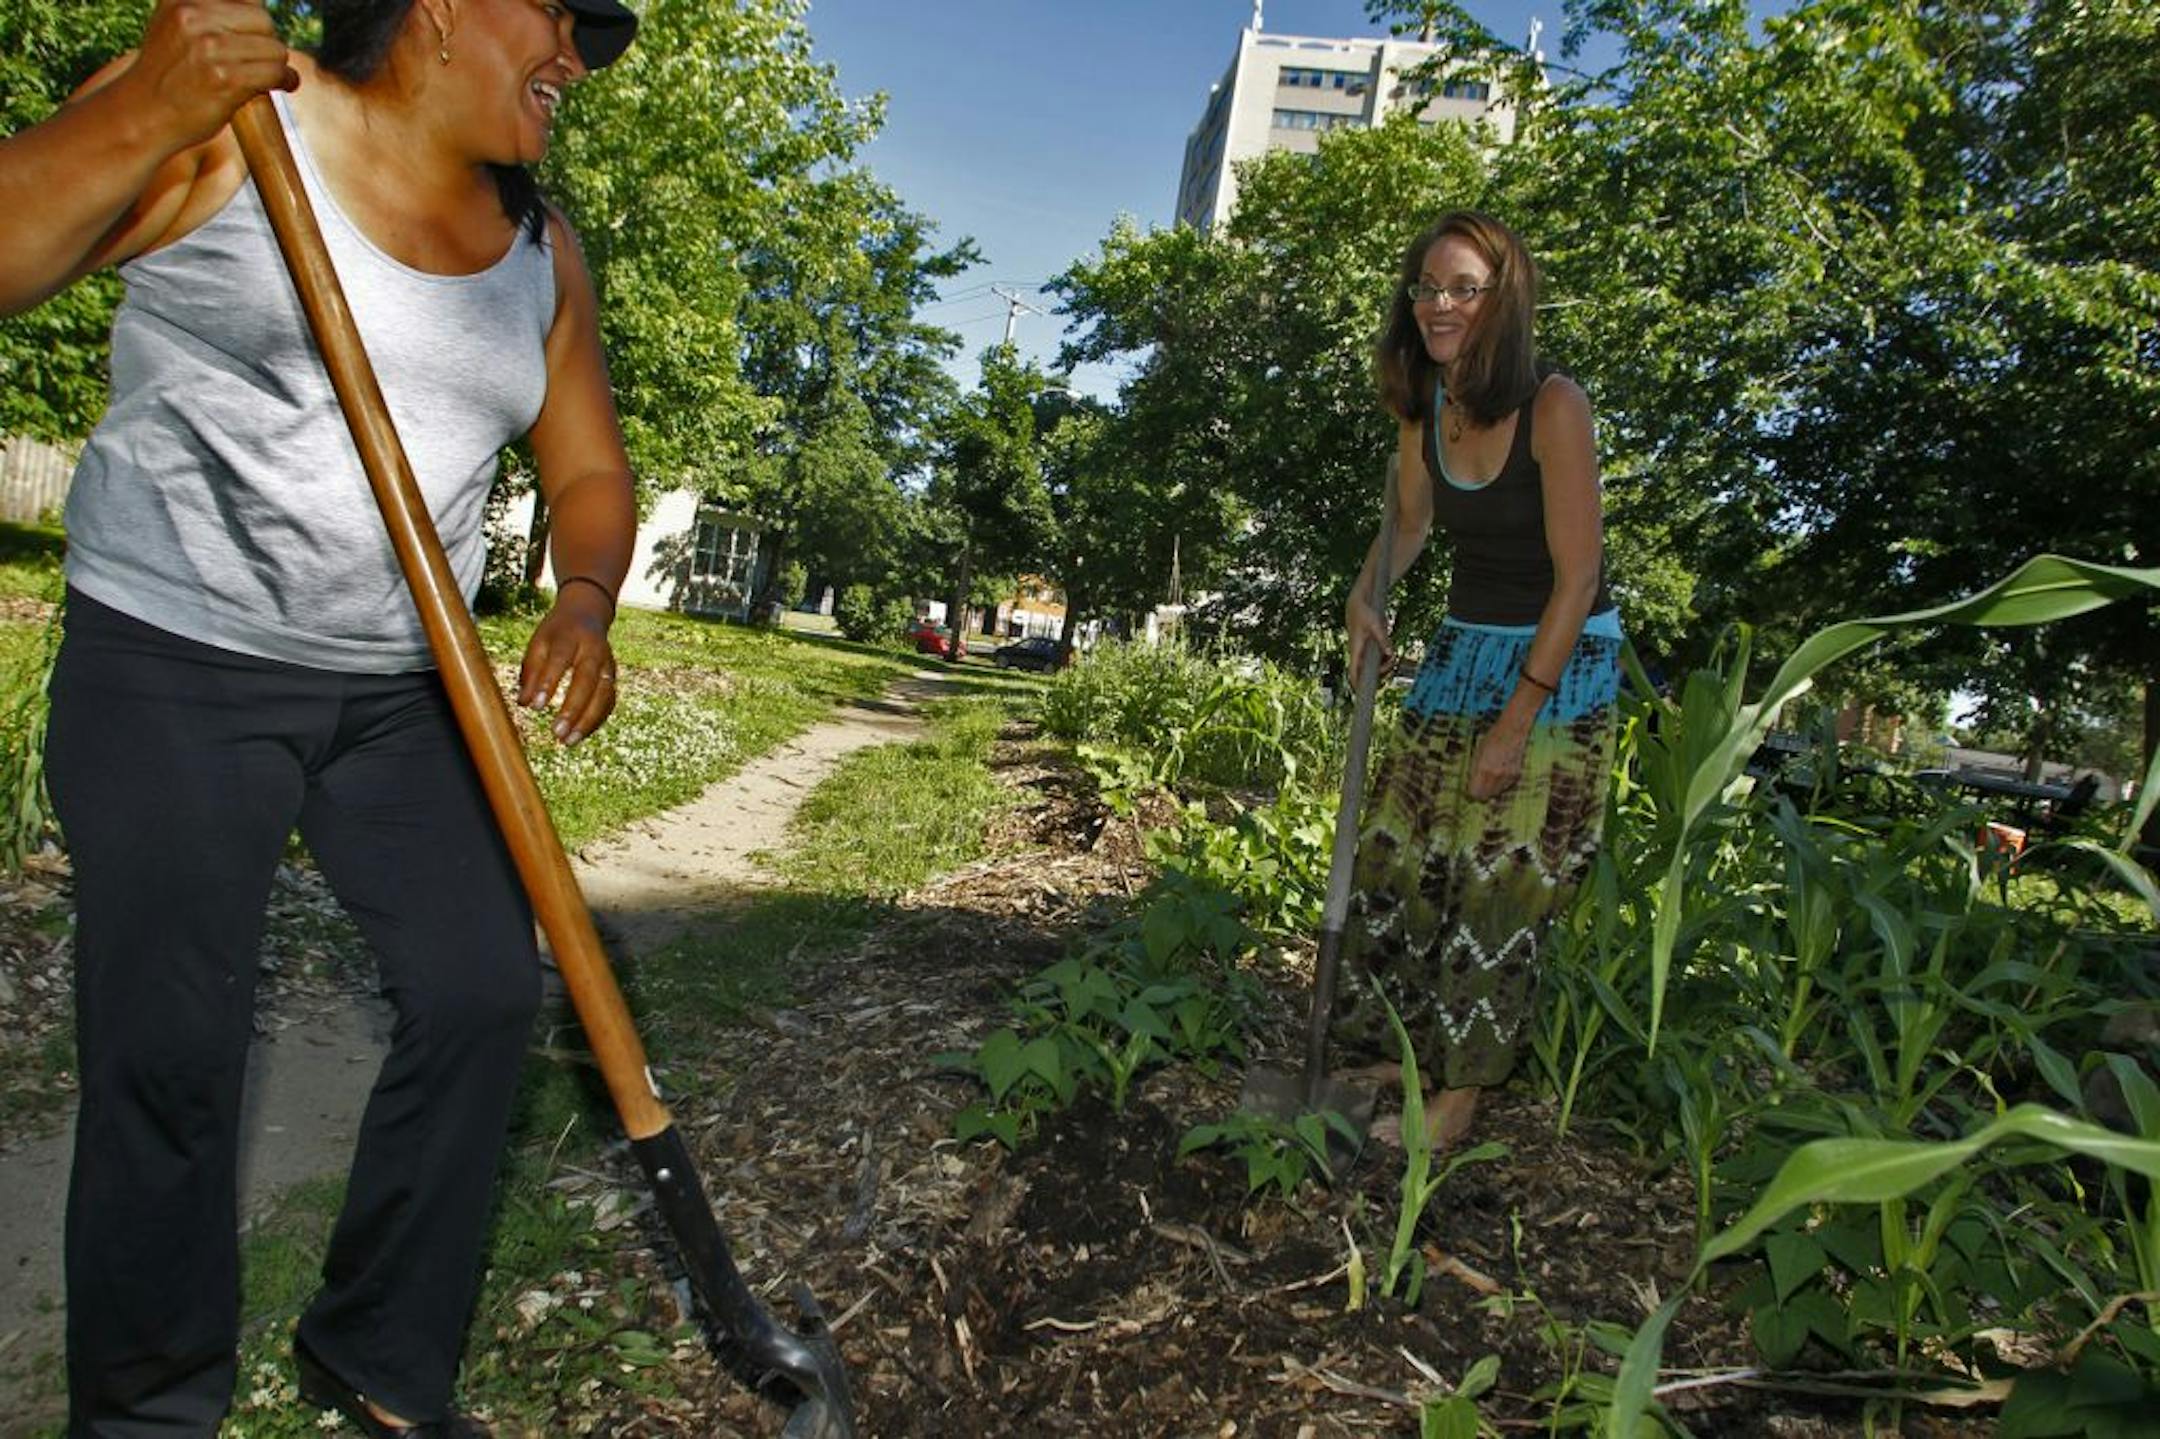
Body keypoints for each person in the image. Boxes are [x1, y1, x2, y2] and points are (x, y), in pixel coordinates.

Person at [0, 0, 641, 1432]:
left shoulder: (539, 250)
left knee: (480, 986)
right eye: (562, 20)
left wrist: (585, 595)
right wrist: (135, 114)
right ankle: (149, 1403)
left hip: (404, 687)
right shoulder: (231, 104)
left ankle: (378, 1349)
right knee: (170, 1050)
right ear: (441, 11)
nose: (579, 61)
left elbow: (589, 463)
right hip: (176, 655)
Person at [1334, 211, 1622, 1150]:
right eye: (1426, 288)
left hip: (1556, 664)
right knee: (1397, 851)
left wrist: (1515, 722)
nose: (1439, 305)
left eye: (1463, 288)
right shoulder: (1426, 412)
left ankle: (1460, 1096)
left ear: (1505, 299)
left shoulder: (1554, 406)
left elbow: (1577, 578)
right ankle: (1404, 1048)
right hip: (1462, 651)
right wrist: (1362, 594)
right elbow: (1409, 527)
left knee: (1497, 882)